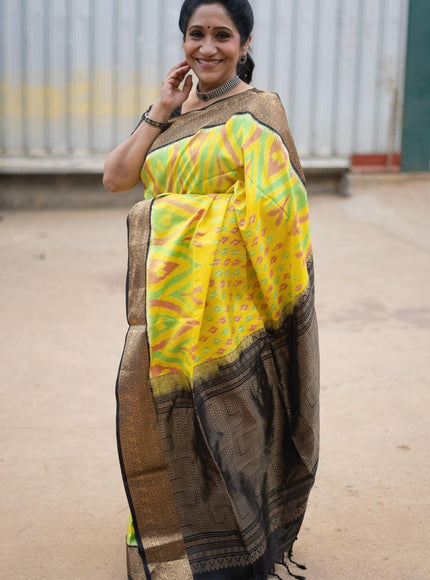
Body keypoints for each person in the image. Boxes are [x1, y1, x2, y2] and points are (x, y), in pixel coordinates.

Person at [103, 1, 319, 579]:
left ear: (244, 44)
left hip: (232, 307)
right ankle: (168, 534)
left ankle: (241, 541)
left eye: (222, 35)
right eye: (196, 34)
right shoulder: (170, 114)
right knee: (159, 411)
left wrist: (177, 215)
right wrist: (159, 111)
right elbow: (117, 178)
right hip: (167, 304)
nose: (208, 47)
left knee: (234, 419)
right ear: (183, 42)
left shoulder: (258, 109)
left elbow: (281, 207)